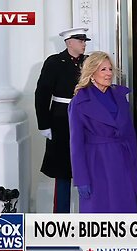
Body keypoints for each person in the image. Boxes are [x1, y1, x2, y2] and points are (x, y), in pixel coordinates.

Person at [68, 51, 137, 251]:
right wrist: (82, 179)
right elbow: (75, 144)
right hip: (95, 165)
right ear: (92, 73)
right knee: (94, 220)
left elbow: (130, 133)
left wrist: (134, 170)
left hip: (121, 164)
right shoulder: (79, 102)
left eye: (110, 69)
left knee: (121, 217)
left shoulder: (119, 96)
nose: (109, 73)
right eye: (103, 69)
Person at [35, 27, 91, 213]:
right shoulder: (54, 62)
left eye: (84, 41)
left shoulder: (89, 62)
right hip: (61, 120)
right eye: (80, 40)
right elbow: (42, 94)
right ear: (69, 42)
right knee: (63, 170)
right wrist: (44, 124)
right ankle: (61, 217)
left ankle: (89, 213)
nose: (84, 44)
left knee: (89, 165)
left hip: (86, 118)